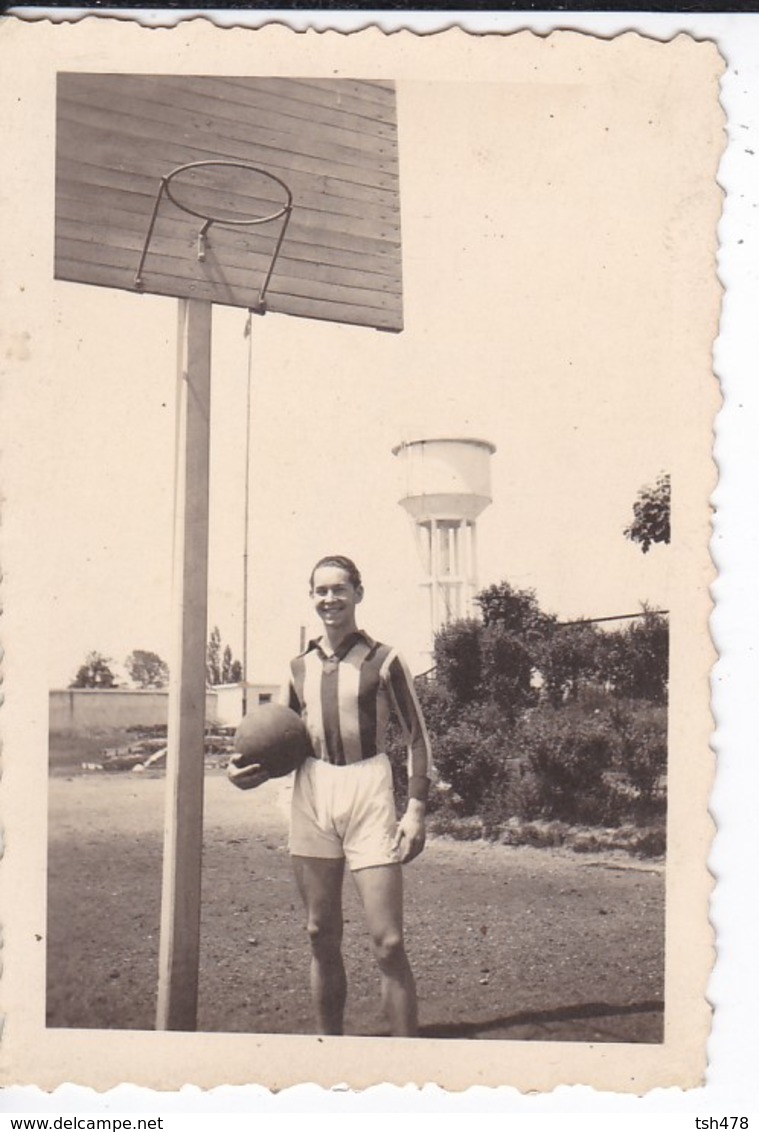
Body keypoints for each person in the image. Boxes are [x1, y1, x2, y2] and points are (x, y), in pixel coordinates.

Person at [228, 554, 432, 1037]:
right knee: (321, 934)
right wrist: (243, 772)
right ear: (312, 597)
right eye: (320, 590)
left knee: (388, 942)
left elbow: (418, 738)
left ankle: (410, 1062)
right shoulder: (298, 668)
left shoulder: (385, 660)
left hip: (369, 790)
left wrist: (417, 809)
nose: (330, 599)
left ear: (358, 593)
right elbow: (276, 741)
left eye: (339, 589)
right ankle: (329, 1050)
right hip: (314, 792)